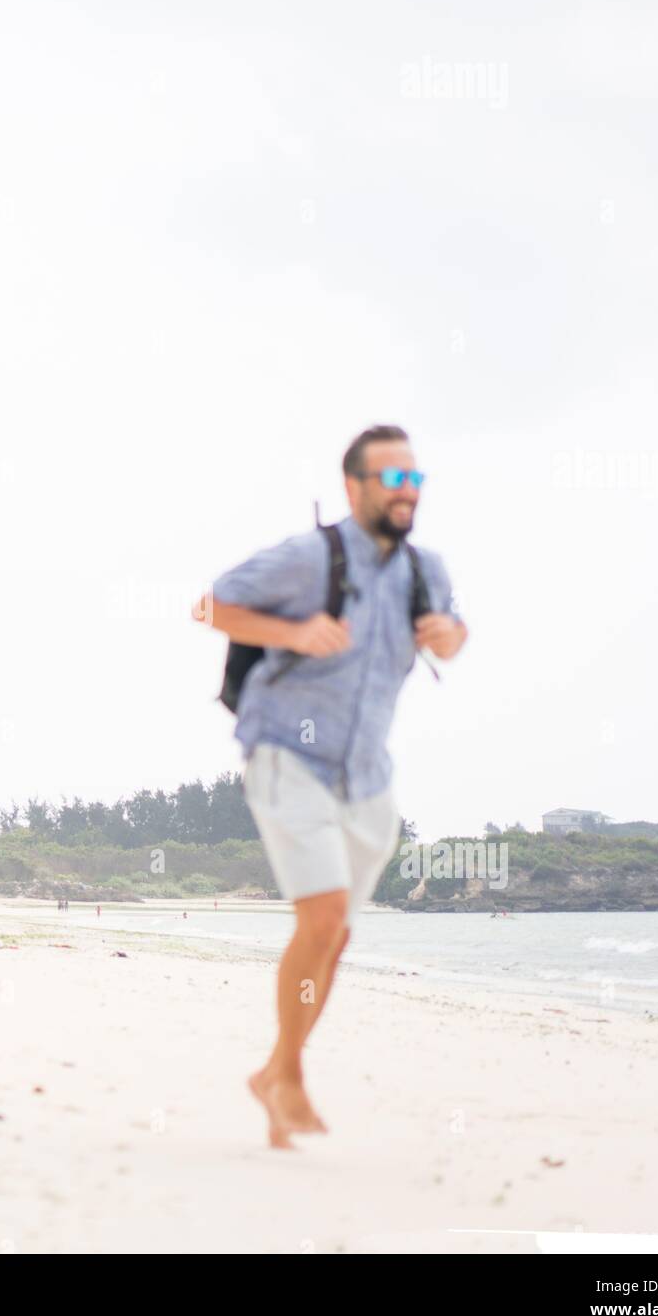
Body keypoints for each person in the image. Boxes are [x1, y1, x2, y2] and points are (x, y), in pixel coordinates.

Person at [194, 425, 467, 1149]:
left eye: (415, 479)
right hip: (287, 753)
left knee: (336, 936)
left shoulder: (423, 570)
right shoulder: (309, 557)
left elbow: (454, 632)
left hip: (368, 773)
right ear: (355, 486)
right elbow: (209, 605)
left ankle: (276, 1073)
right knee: (318, 920)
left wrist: (448, 636)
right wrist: (290, 633)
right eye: (392, 479)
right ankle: (285, 1079)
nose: (407, 492)